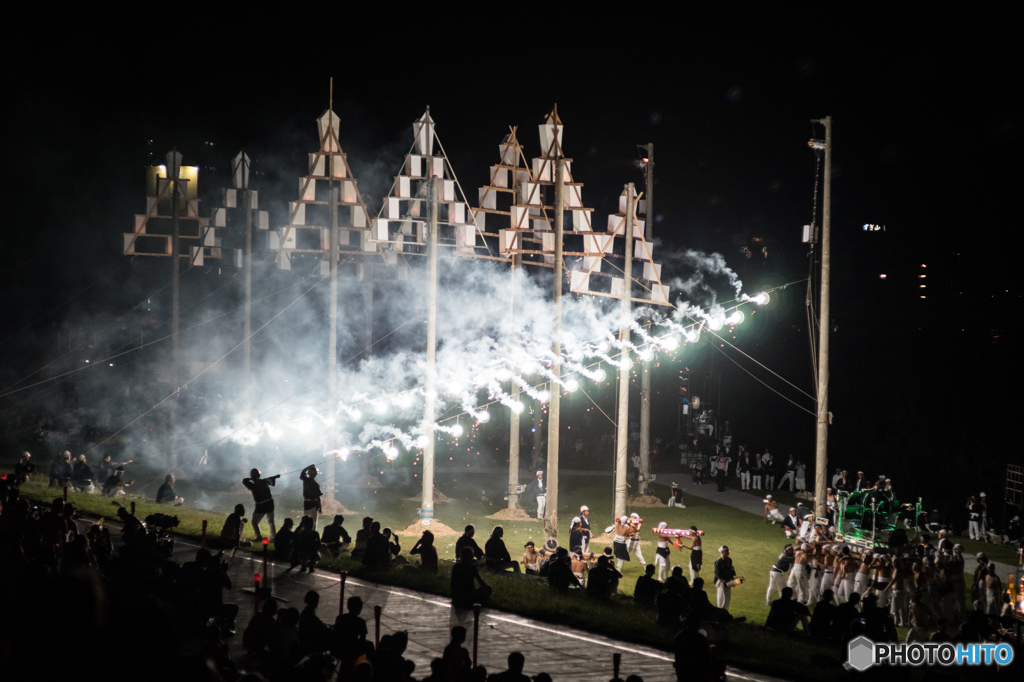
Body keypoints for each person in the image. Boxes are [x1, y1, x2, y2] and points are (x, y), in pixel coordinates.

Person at [673, 613, 713, 682]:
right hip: (696, 673)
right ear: (698, 624)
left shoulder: (680, 637)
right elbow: (706, 659)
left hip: (682, 672)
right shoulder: (701, 639)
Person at [242, 468, 279, 541]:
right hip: (269, 504)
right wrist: (273, 478)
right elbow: (273, 484)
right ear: (259, 475)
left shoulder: (252, 485)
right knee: (271, 522)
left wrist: (252, 478)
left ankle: (259, 537)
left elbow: (244, 481)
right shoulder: (264, 481)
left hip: (261, 506)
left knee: (254, 522)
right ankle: (273, 537)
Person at [713, 545, 740, 609]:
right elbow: (717, 574)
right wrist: (724, 581)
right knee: (721, 599)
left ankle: (725, 612)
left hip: (728, 582)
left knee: (727, 599)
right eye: (726, 551)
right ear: (722, 552)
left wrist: (733, 581)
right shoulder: (718, 562)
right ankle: (720, 613)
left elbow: (731, 570)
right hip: (721, 583)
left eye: (728, 551)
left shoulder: (729, 560)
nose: (727, 553)